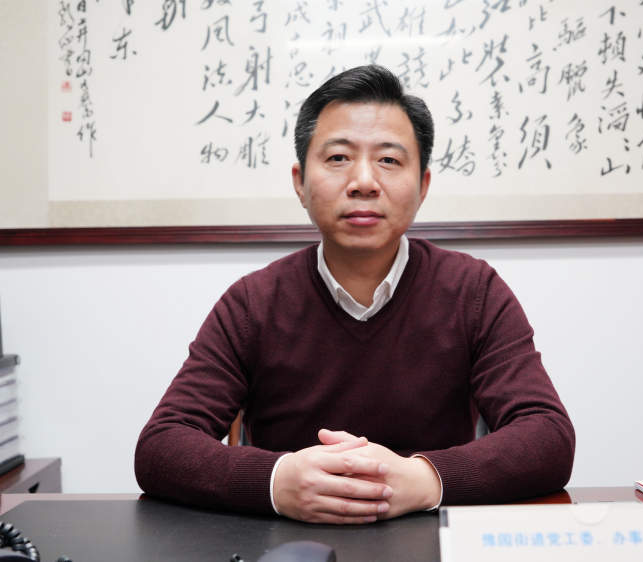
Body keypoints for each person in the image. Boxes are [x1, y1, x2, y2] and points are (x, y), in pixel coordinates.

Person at [135, 65, 575, 524]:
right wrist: (277, 481)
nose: (364, 181)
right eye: (339, 157)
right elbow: (161, 445)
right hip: (290, 543)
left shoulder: (473, 291)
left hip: (429, 538)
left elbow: (548, 435)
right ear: (300, 182)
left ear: (423, 186)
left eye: (389, 160)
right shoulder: (253, 303)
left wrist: (422, 479)